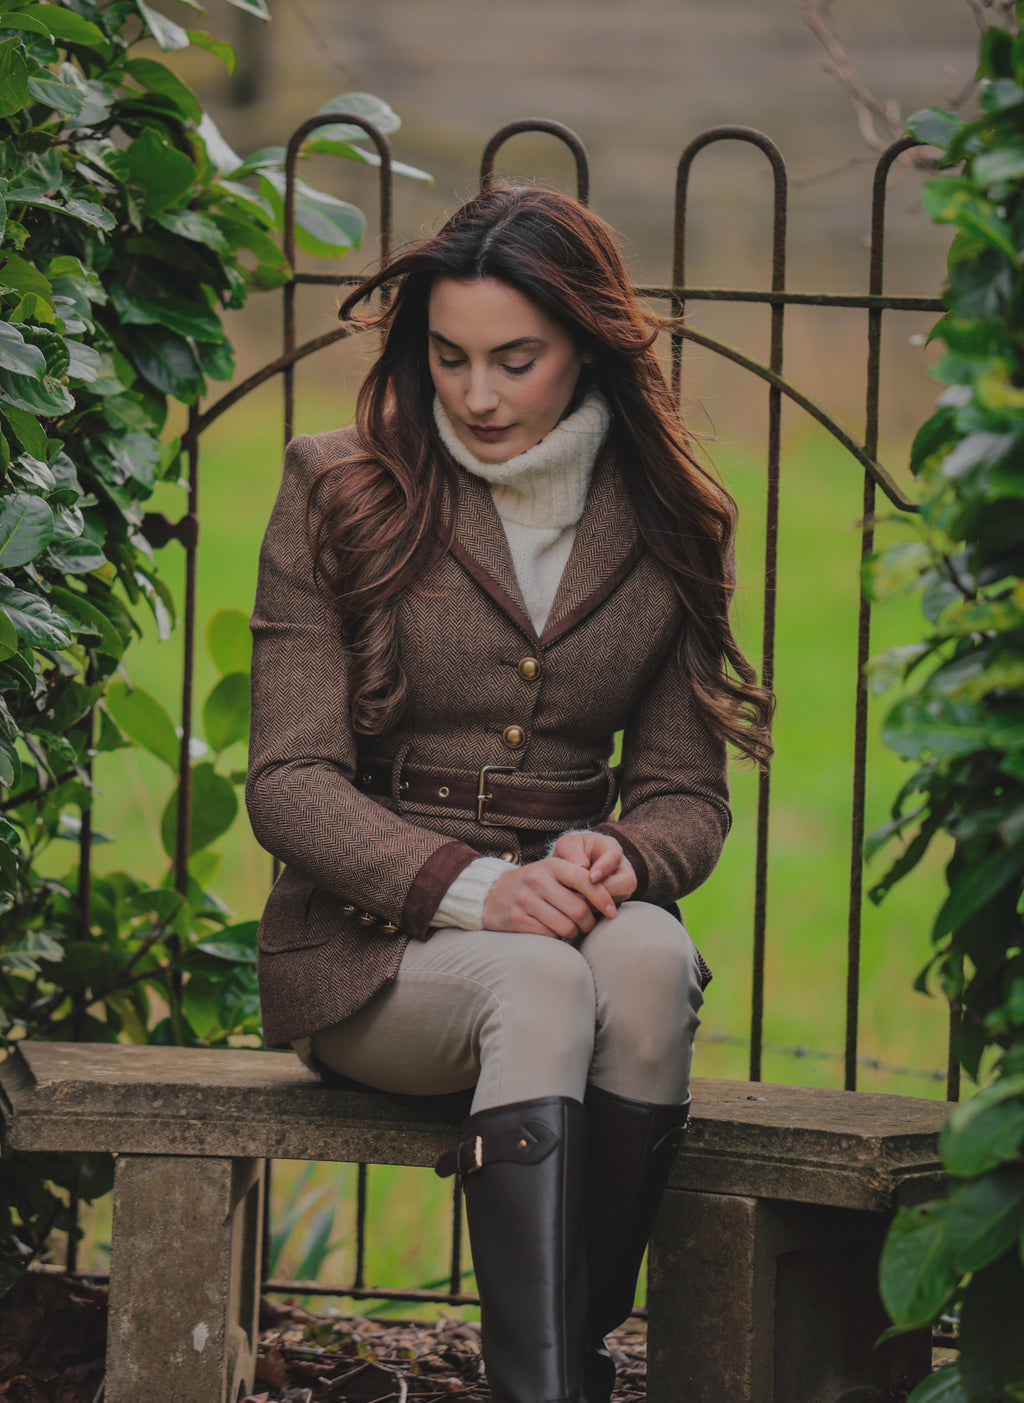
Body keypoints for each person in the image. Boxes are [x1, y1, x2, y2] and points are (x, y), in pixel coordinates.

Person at [246, 183, 772, 1403]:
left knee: (644, 959)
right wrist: (482, 891)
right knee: (541, 969)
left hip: (574, 925)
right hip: (373, 955)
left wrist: (624, 861)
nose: (476, 395)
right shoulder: (337, 485)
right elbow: (287, 780)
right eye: (449, 356)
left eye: (515, 360)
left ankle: (557, 1368)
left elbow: (689, 797)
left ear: (584, 342)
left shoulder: (675, 521)